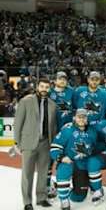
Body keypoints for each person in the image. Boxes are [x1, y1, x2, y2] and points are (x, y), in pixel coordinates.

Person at [13, 77, 57, 210]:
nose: (44, 89)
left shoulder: (52, 105)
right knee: (27, 173)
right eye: (42, 86)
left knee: (44, 172)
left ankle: (41, 198)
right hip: (28, 142)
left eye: (46, 87)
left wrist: (53, 143)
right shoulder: (26, 101)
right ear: (38, 87)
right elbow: (18, 122)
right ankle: (27, 201)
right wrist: (16, 142)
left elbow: (53, 127)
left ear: (49, 88)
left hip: (45, 142)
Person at [50, 109, 97, 210]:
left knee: (79, 197)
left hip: (82, 164)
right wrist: (61, 157)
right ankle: (63, 198)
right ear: (74, 118)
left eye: (84, 117)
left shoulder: (92, 131)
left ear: (87, 119)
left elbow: (96, 147)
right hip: (68, 161)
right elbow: (54, 148)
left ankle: (72, 188)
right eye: (79, 117)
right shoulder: (67, 130)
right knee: (64, 171)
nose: (81, 119)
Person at [47, 71, 75, 199]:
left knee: (68, 157)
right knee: (50, 158)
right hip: (52, 130)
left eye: (65, 79)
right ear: (55, 80)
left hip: (68, 131)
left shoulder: (71, 92)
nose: (63, 81)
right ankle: (47, 185)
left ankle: (65, 182)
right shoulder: (49, 93)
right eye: (60, 79)